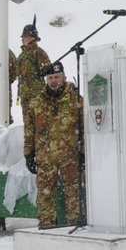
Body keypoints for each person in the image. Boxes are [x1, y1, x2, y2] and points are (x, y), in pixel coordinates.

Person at [24, 61, 83, 228]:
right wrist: (28, 154)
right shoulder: (37, 103)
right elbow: (29, 130)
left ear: (64, 78)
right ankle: (46, 225)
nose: (54, 81)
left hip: (69, 157)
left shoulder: (75, 100)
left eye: (57, 77)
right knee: (45, 194)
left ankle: (76, 225)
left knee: (73, 193)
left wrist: (84, 152)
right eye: (50, 78)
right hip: (45, 157)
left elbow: (85, 127)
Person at [14, 21, 50, 127]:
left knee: (38, 120)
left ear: (32, 38)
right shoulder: (22, 54)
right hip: (25, 93)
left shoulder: (39, 52)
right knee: (27, 121)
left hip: (36, 93)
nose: (22, 39)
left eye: (24, 36)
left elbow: (46, 69)